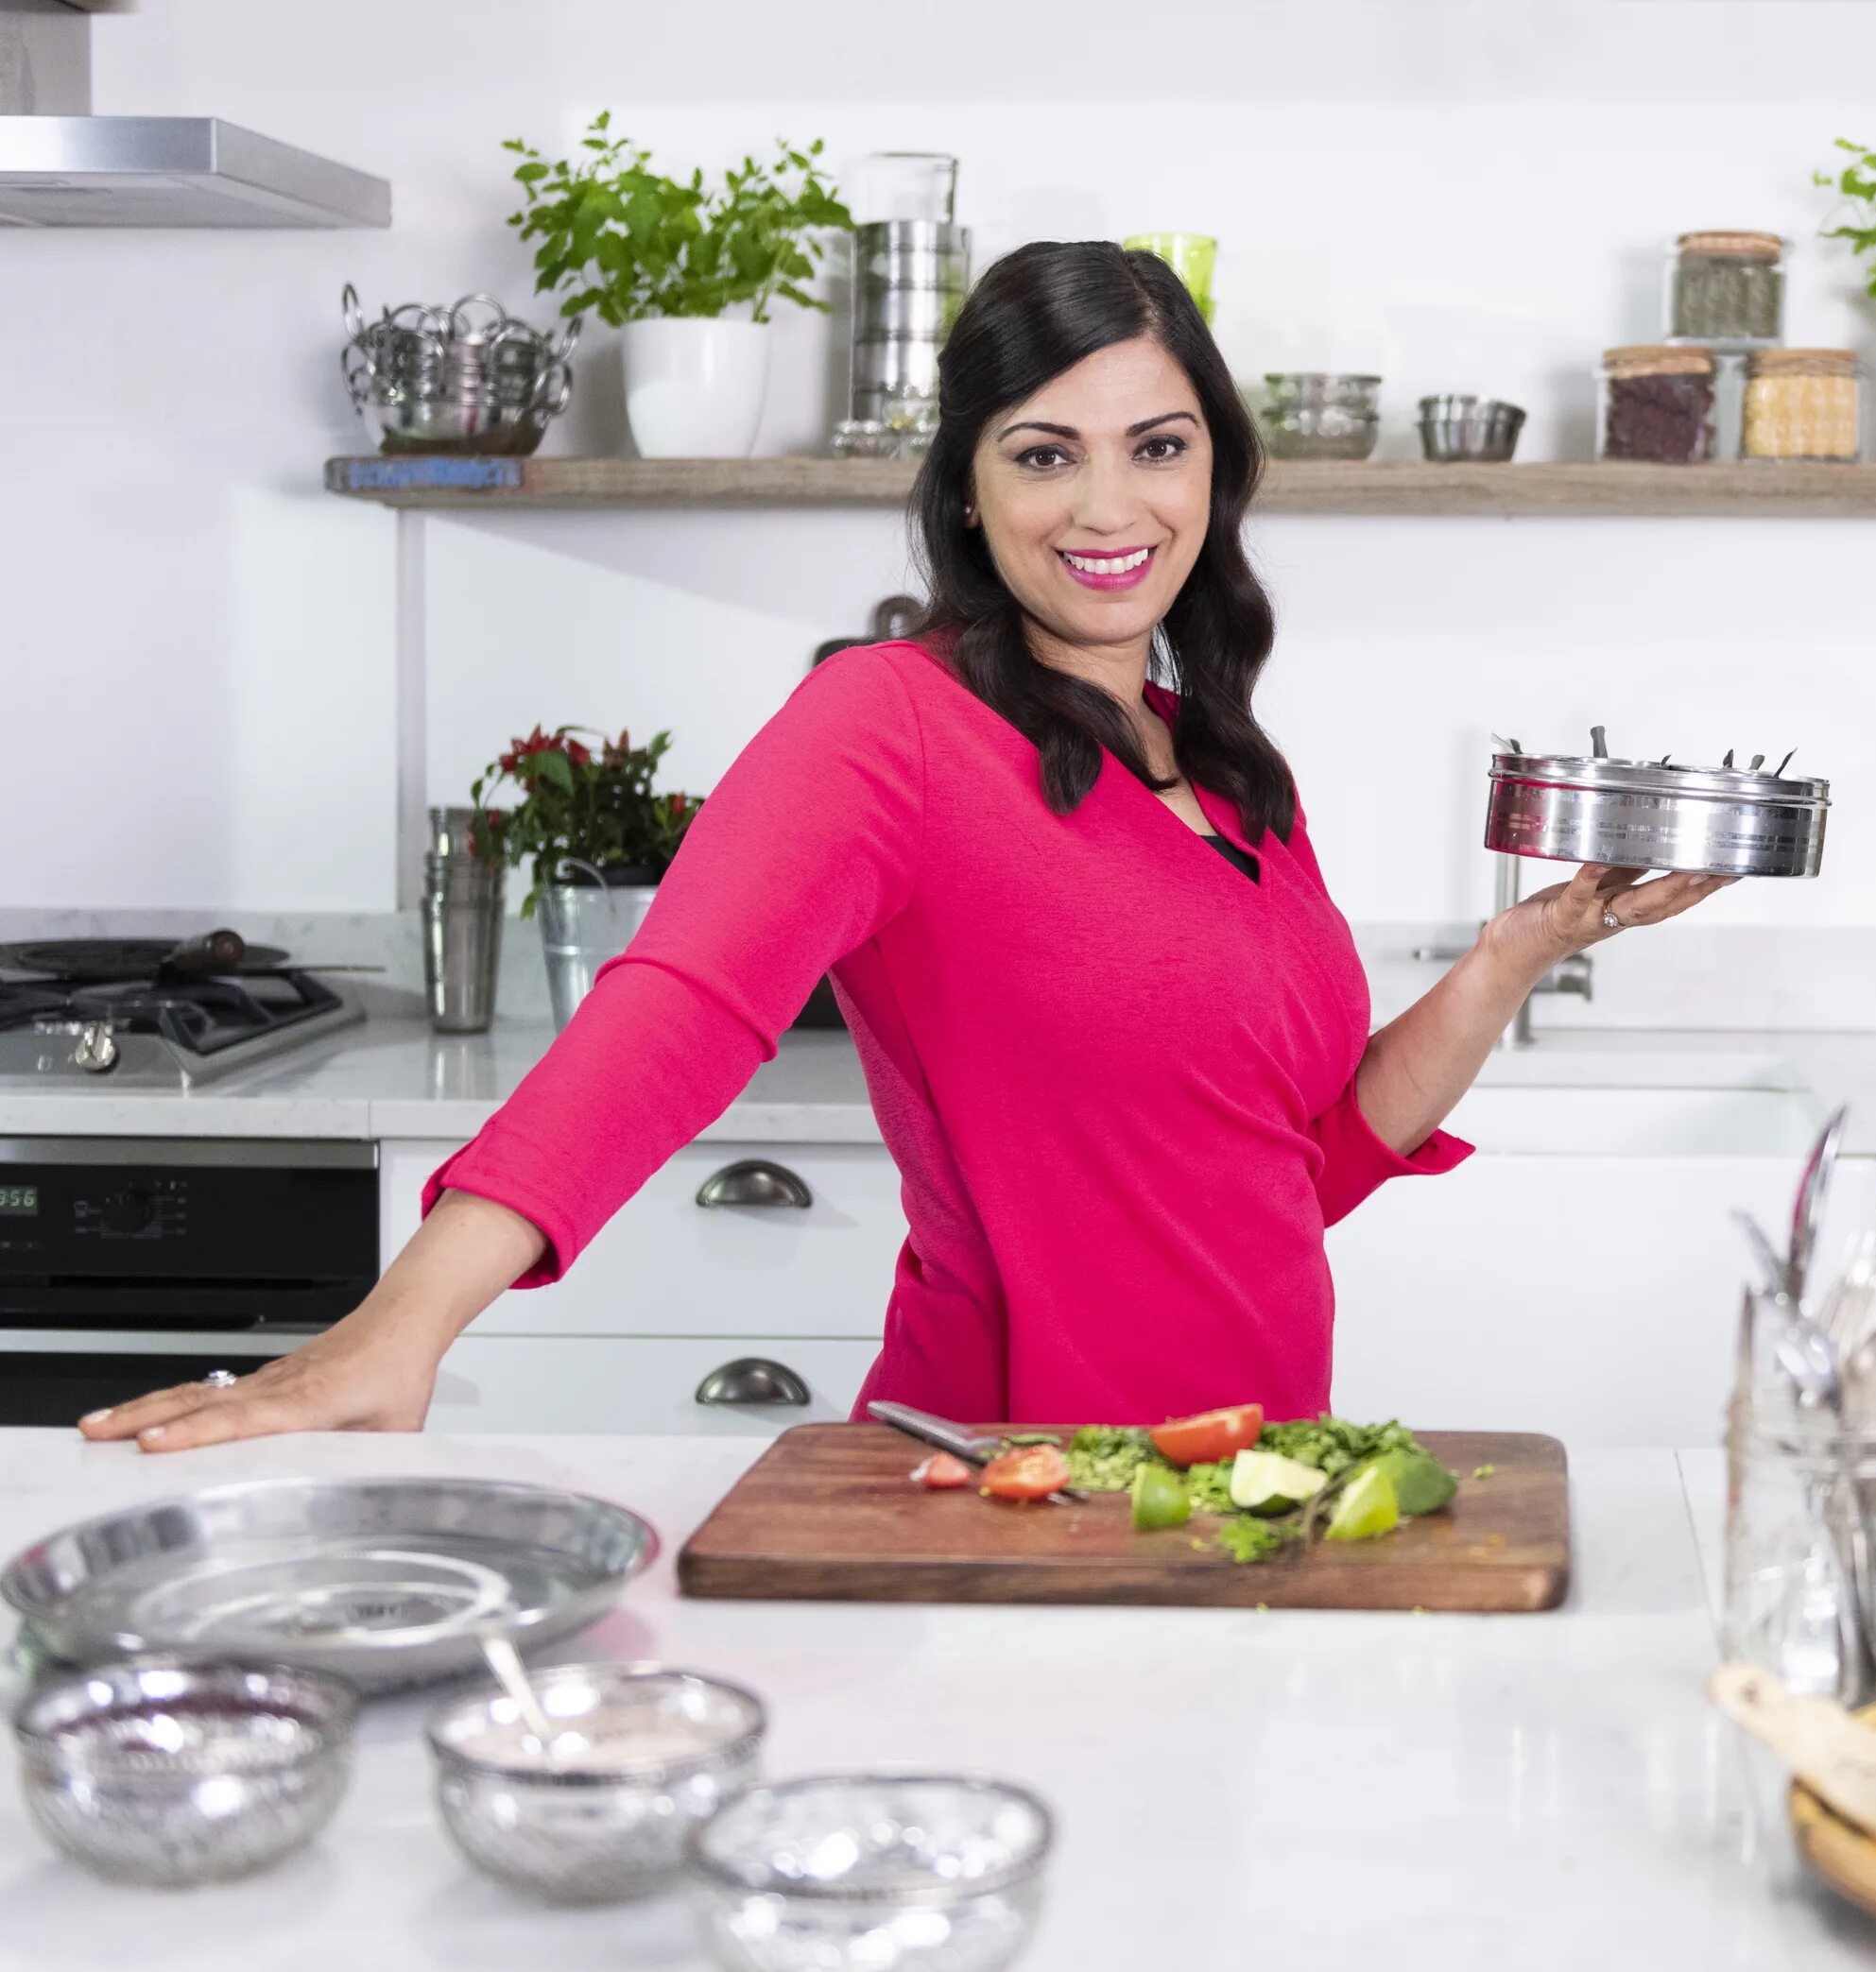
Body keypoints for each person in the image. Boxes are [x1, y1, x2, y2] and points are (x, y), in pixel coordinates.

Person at [84, 241, 1732, 1453]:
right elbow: (679, 1008)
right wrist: (402, 1320)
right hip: (1002, 1483)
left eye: (1157, 447)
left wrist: (1521, 950)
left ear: (1214, 472)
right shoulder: (893, 724)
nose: (1110, 508)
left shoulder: (1229, 765)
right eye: (1044, 453)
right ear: (966, 493)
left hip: (1241, 1481)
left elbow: (1296, 1169)